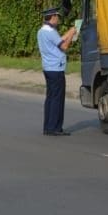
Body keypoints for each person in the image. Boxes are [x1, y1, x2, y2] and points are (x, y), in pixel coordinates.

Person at [37, 7, 76, 136]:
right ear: (53, 17)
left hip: (48, 68)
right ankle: (55, 128)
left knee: (50, 98)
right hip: (56, 68)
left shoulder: (42, 31)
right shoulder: (51, 32)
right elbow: (64, 46)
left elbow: (58, 41)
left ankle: (48, 126)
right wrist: (71, 34)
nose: (58, 20)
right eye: (57, 17)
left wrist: (68, 33)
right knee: (57, 99)